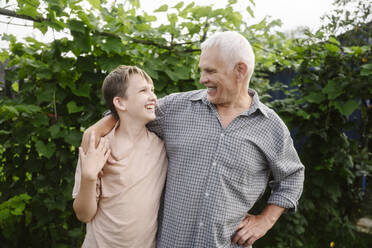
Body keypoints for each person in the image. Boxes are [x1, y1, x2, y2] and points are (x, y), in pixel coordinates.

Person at [82, 31, 305, 247]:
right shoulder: (177, 108)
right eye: (201, 70)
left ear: (240, 70)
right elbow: (128, 113)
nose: (202, 79)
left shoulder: (270, 126)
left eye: (210, 71)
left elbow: (292, 177)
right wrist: (91, 133)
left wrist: (265, 220)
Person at [73, 65, 167, 248]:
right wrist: (89, 176)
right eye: (143, 90)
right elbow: (84, 215)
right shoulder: (98, 147)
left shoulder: (161, 147)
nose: (153, 97)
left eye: (152, 90)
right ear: (120, 103)